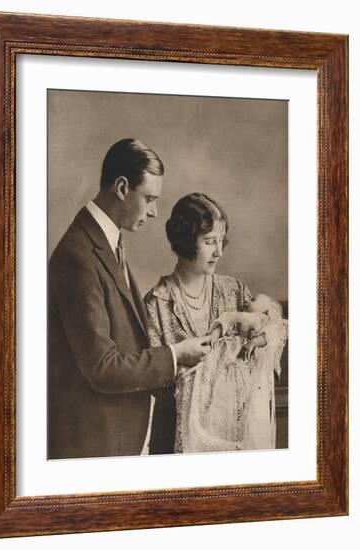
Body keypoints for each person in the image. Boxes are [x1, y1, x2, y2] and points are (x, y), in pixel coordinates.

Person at [48, 139, 210, 459]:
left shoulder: (105, 243)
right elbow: (103, 367)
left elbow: (124, 343)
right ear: (122, 187)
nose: (154, 212)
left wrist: (176, 366)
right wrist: (174, 356)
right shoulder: (77, 255)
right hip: (92, 448)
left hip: (115, 440)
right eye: (149, 199)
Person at [145, 193, 287, 454]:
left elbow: (273, 324)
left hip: (236, 435)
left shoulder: (235, 291)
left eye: (221, 241)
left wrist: (264, 338)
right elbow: (151, 376)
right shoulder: (158, 303)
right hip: (177, 439)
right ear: (187, 240)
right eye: (210, 242)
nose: (219, 251)